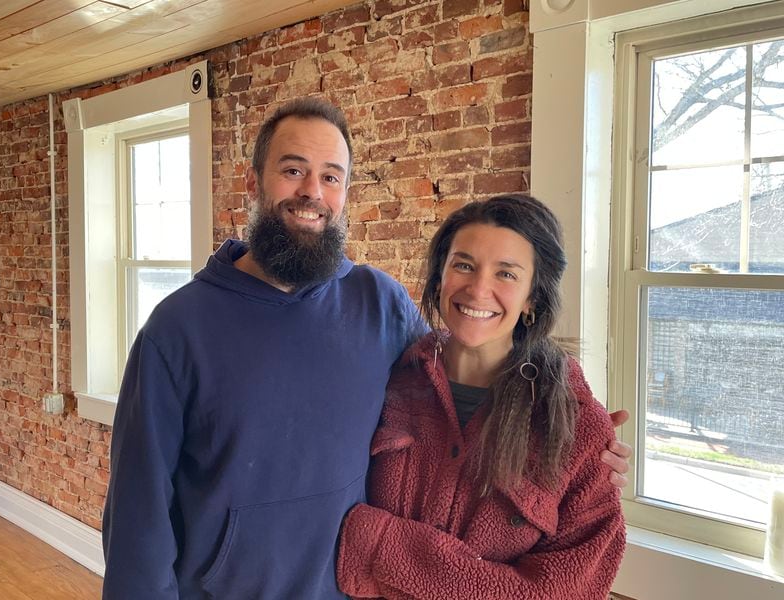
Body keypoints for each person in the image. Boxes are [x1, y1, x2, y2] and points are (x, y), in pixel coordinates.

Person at [102, 99, 630, 599]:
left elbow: (457, 378)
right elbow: (137, 512)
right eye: (293, 169)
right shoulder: (177, 329)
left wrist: (568, 426)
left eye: (331, 176)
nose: (313, 191)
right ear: (252, 182)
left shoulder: (377, 301)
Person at [336, 195, 626, 599]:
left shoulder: (576, 427)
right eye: (464, 265)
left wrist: (379, 545)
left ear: (532, 299)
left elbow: (569, 588)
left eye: (506, 274)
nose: (478, 289)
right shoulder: (391, 380)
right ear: (439, 277)